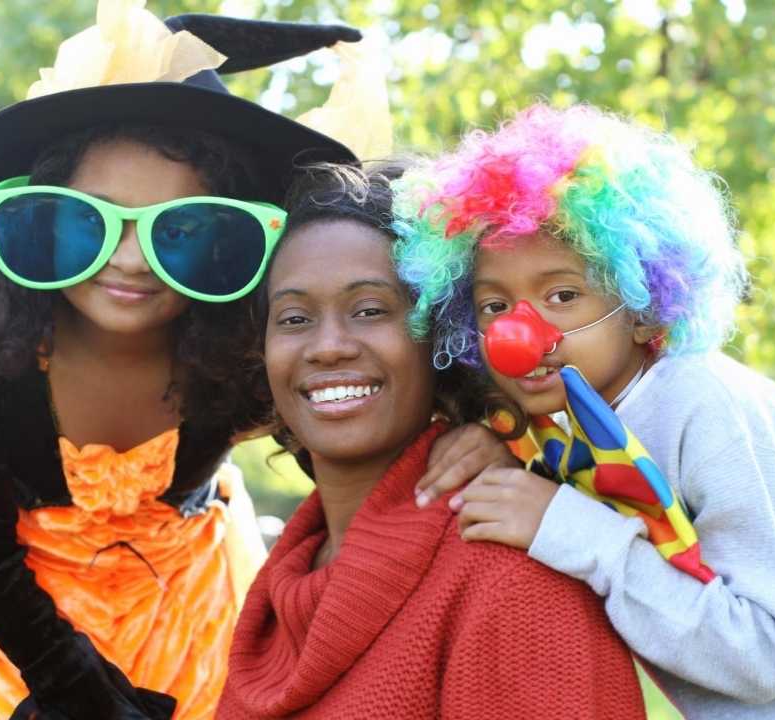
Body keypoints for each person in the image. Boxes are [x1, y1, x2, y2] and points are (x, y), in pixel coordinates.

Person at [395, 103, 775, 719]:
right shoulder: (564, 420)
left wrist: (566, 526)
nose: (519, 332)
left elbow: (755, 655)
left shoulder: (705, 406)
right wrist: (501, 448)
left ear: (645, 308)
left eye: (564, 295)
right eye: (494, 306)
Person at [0, 4, 376, 718]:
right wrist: (80, 693)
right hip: (22, 630)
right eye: (94, 218)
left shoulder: (246, 348)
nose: (131, 260)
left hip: (190, 615)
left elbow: (353, 457)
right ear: (46, 215)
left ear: (230, 240)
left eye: (182, 228)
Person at [214, 163, 648, 719]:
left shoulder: (512, 578)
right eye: (294, 318)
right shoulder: (278, 591)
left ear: (446, 339)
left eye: (370, 310)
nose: (327, 347)